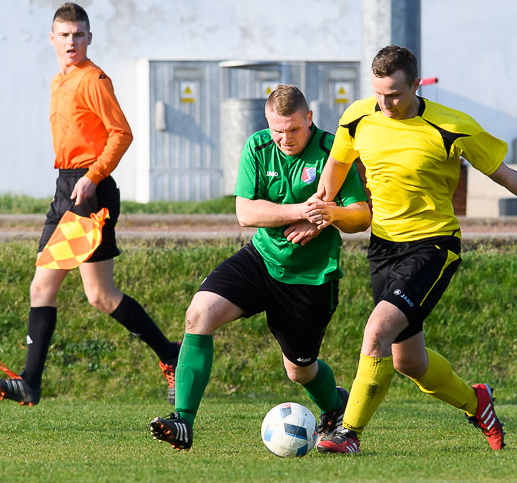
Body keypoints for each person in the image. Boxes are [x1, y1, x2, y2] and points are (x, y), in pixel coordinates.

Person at [314, 45, 517, 454]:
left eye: (395, 94)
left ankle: (349, 434)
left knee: (377, 331)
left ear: (416, 85)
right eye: (378, 92)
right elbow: (337, 165)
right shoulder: (358, 116)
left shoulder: (452, 126)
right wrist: (318, 208)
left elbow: (504, 175)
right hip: (383, 246)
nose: (385, 103)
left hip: (433, 245)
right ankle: (477, 403)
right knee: (408, 361)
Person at [148, 85, 371, 450]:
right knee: (198, 314)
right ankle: (183, 421)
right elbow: (245, 212)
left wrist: (329, 216)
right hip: (261, 258)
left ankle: (334, 406)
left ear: (309, 118)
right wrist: (303, 211)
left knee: (299, 369)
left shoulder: (332, 152)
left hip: (311, 277)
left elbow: (361, 215)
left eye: (294, 129)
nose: (285, 138)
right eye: (277, 130)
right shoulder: (258, 145)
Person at [0, 2, 180, 406]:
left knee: (75, 290)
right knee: (90, 294)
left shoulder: (94, 79)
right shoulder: (59, 81)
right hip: (66, 188)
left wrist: (93, 175)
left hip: (90, 192)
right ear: (52, 38)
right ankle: (168, 354)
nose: (71, 41)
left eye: (78, 34)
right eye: (65, 35)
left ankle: (33, 381)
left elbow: (121, 133)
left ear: (89, 38)